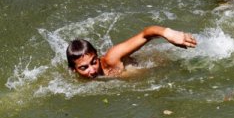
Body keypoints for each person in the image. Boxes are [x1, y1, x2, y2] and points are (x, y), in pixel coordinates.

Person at [66, 26, 197, 79]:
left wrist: (170, 34)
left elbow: (147, 33)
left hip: (163, 61)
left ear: (97, 54)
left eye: (94, 62)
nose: (92, 70)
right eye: (84, 68)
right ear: (73, 70)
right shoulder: (79, 80)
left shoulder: (112, 58)